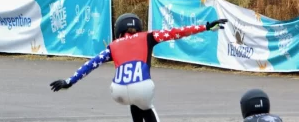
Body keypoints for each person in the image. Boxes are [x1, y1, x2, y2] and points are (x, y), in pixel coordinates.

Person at [49, 14, 227, 122]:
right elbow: (176, 32)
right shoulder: (148, 36)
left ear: (118, 30)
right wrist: (206, 26)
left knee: (135, 103)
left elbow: (91, 64)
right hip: (142, 87)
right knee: (146, 107)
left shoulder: (113, 45)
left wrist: (69, 81)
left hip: (117, 90)